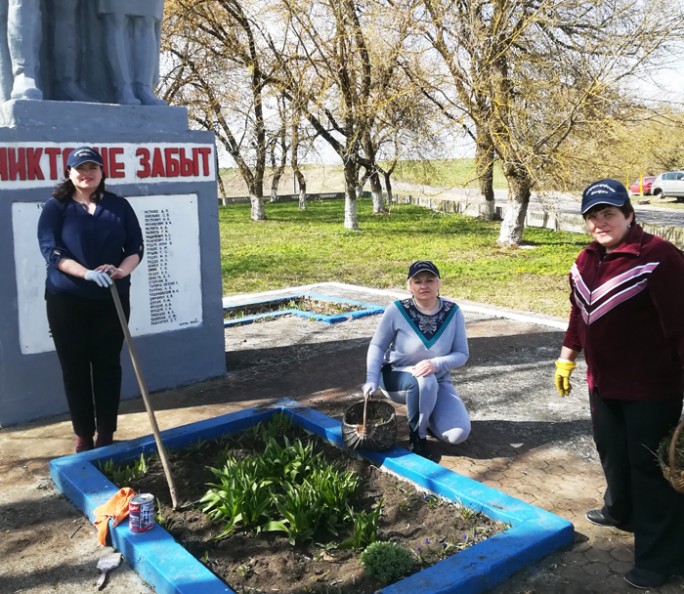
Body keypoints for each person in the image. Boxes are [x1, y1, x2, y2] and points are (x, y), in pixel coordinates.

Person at [554, 179, 684, 589]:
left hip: (652, 389)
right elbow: (580, 313)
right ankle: (620, 511)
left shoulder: (660, 258)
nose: (600, 222)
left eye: (608, 213)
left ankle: (661, 559)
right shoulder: (586, 260)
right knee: (611, 453)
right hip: (603, 383)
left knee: (651, 471)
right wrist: (567, 356)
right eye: (592, 216)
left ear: (629, 214)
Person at [37, 146, 144, 453]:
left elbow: (135, 246)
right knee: (75, 367)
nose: (87, 173)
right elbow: (51, 251)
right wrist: (85, 273)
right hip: (67, 300)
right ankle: (84, 433)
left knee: (108, 364)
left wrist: (121, 271)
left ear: (101, 172)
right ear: (69, 173)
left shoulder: (118, 205)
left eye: (93, 168)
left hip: (111, 298)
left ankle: (107, 431)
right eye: (80, 168)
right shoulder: (55, 207)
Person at [363, 261, 470, 459]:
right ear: (409, 286)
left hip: (437, 379)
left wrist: (436, 364)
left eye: (430, 280)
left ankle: (425, 418)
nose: (424, 285)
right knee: (423, 380)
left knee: (458, 435)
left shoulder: (453, 312)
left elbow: (462, 354)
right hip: (396, 377)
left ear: (439, 284)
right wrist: (371, 379)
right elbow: (377, 346)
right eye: (417, 281)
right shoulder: (396, 310)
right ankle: (418, 438)